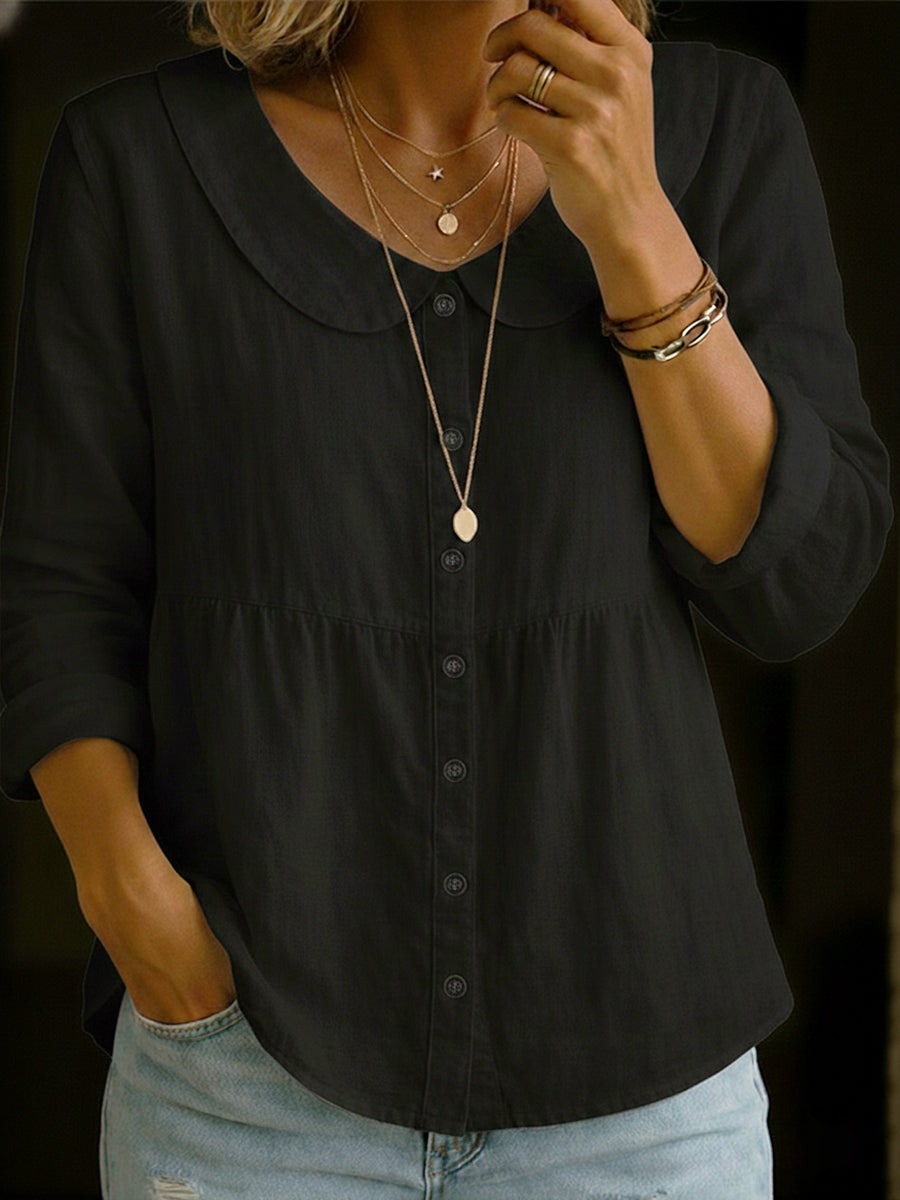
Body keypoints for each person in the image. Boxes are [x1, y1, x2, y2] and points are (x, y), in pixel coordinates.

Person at [0, 0, 891, 1196]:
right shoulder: (136, 160)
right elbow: (60, 587)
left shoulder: (724, 127)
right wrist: (138, 915)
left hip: (643, 1112)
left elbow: (795, 587)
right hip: (246, 1089)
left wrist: (632, 216)